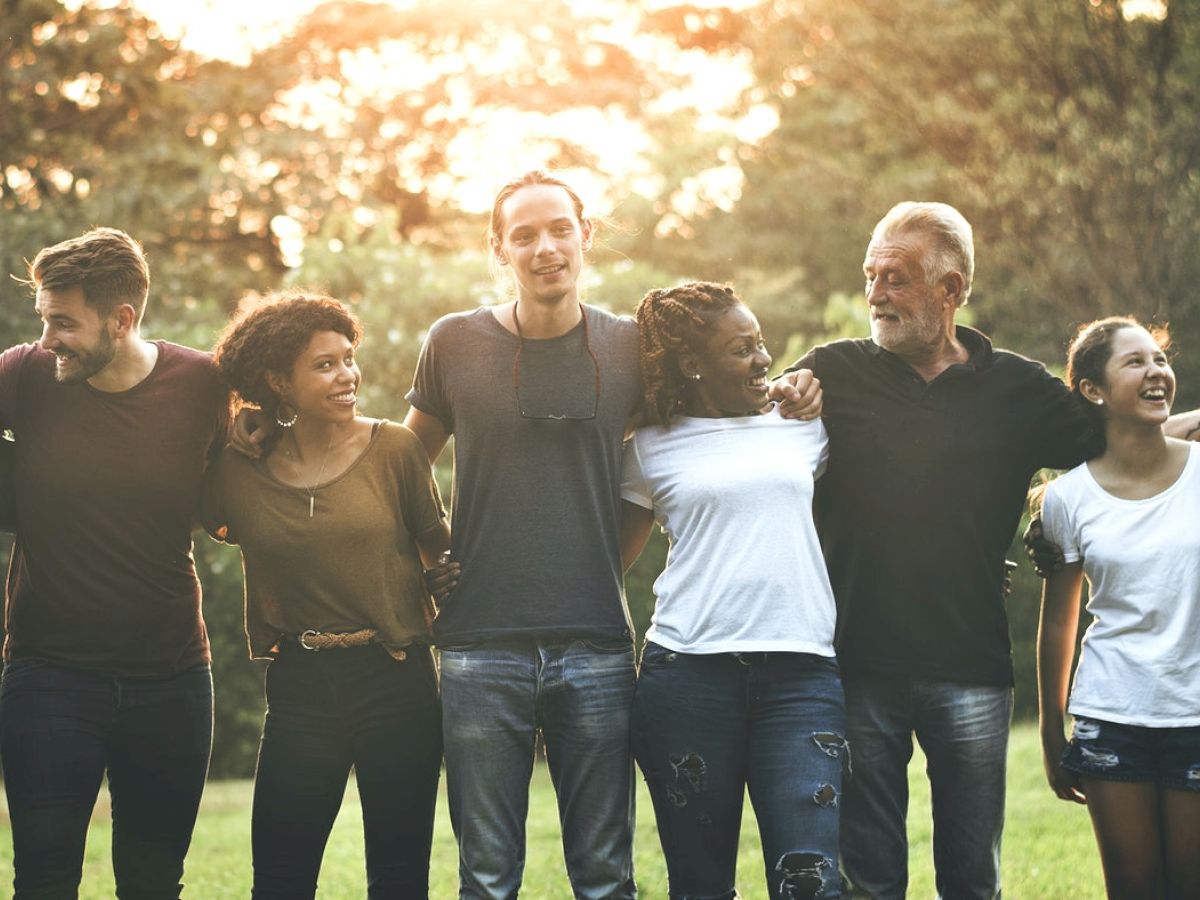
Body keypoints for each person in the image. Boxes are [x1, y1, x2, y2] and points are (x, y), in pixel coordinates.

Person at [769, 201, 1105, 899]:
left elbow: (1119, 445)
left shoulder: (1016, 387)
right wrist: (783, 392)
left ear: (950, 289)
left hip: (972, 670)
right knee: (871, 878)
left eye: (896, 277)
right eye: (871, 276)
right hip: (858, 664)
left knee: (972, 878)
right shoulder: (831, 372)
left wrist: (1183, 426)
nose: (875, 294)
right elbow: (746, 431)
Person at [402, 170, 643, 900]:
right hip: (479, 646)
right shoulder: (454, 343)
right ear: (500, 250)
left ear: (586, 235)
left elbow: (651, 484)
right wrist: (429, 555)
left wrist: (604, 565)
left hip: (597, 644)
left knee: (605, 876)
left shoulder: (633, 348)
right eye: (525, 235)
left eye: (560, 229)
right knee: (485, 876)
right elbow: (403, 465)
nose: (546, 247)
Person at [0, 228, 230, 898]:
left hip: (172, 680)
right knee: (42, 880)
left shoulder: (202, 385)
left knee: (154, 882)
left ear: (122, 319)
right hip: (49, 678)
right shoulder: (26, 376)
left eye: (63, 323)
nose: (48, 340)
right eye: (44, 319)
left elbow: (246, 474)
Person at [202, 293, 450, 899]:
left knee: (398, 880)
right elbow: (178, 461)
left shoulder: (395, 449)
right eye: (324, 365)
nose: (348, 376)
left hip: (396, 679)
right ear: (276, 381)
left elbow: (441, 556)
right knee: (281, 881)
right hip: (301, 685)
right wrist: (231, 426)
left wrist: (445, 585)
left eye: (348, 359)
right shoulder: (238, 469)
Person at [619, 282, 847, 900]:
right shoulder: (647, 446)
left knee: (812, 881)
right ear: (693, 364)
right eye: (742, 348)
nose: (764, 359)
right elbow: (611, 560)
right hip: (689, 678)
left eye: (762, 343)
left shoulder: (805, 426)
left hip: (801, 679)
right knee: (699, 885)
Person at [1035, 317, 1200, 900]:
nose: (1156, 371)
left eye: (1160, 359)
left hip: (1195, 715)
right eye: (1135, 362)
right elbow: (1059, 621)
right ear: (1092, 389)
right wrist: (1053, 736)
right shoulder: (1067, 497)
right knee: (1132, 889)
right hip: (1112, 718)